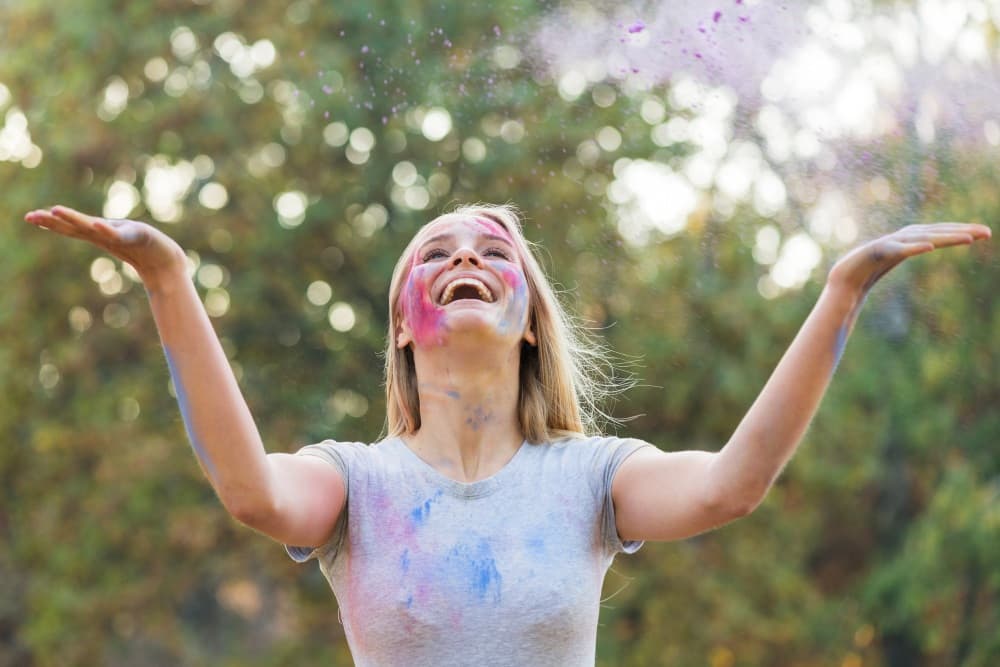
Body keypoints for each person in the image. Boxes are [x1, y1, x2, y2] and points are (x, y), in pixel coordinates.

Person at [23, 203, 990, 666]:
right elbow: (249, 491)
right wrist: (168, 282)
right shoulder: (353, 483)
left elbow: (731, 485)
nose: (464, 260)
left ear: (530, 317)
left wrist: (839, 292)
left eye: (493, 252)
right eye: (435, 253)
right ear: (404, 320)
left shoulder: (593, 479)